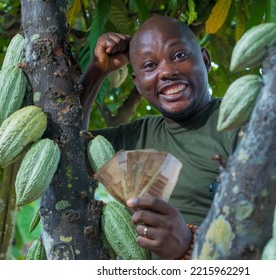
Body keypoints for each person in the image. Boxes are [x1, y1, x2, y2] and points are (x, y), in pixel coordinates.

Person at [80, 15, 240, 259]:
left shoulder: (239, 123)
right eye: (149, 66)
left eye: (179, 56)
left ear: (205, 60)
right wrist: (97, 70)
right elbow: (65, 149)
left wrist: (188, 244)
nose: (166, 71)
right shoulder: (133, 139)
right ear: (137, 83)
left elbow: (268, 233)